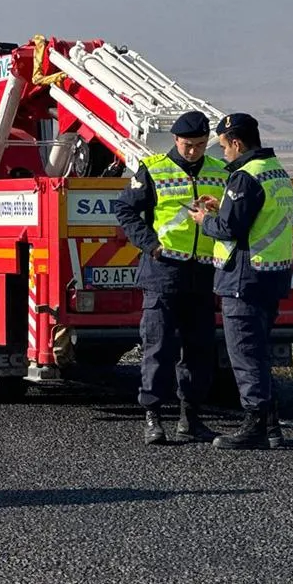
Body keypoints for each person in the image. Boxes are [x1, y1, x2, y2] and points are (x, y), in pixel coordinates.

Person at [113, 111, 228, 445]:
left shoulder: (220, 172)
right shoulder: (154, 168)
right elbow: (126, 210)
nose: (193, 151)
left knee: (200, 349)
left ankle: (190, 418)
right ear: (176, 140)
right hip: (163, 271)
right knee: (158, 346)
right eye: (187, 145)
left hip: (203, 272)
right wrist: (150, 246)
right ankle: (153, 416)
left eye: (200, 145)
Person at [190, 113, 293, 449]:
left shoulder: (245, 178)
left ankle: (254, 428)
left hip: (244, 278)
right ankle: (272, 427)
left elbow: (230, 229)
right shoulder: (276, 172)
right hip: (271, 275)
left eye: (223, 147)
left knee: (245, 354)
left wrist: (205, 220)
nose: (223, 155)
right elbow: (257, 218)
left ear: (236, 142)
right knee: (260, 352)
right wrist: (224, 208)